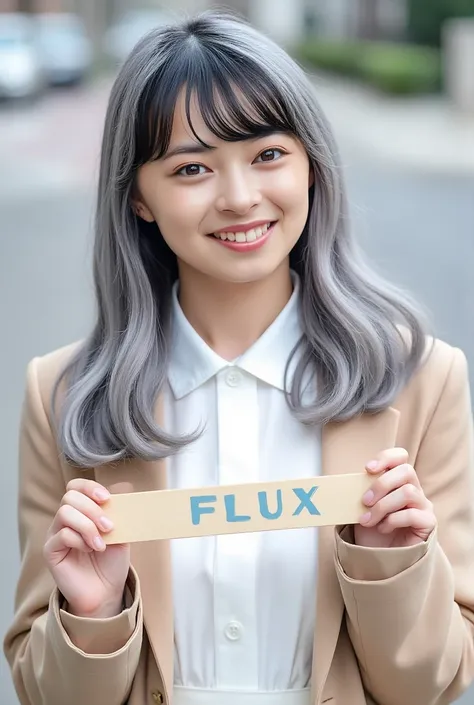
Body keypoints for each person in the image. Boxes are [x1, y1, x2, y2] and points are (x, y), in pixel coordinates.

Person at [3, 10, 474, 705]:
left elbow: (432, 682)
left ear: (311, 164)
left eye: (268, 155)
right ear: (138, 195)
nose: (240, 197)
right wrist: (93, 613)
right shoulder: (64, 393)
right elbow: (44, 690)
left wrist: (389, 562)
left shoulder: (422, 378)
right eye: (191, 167)